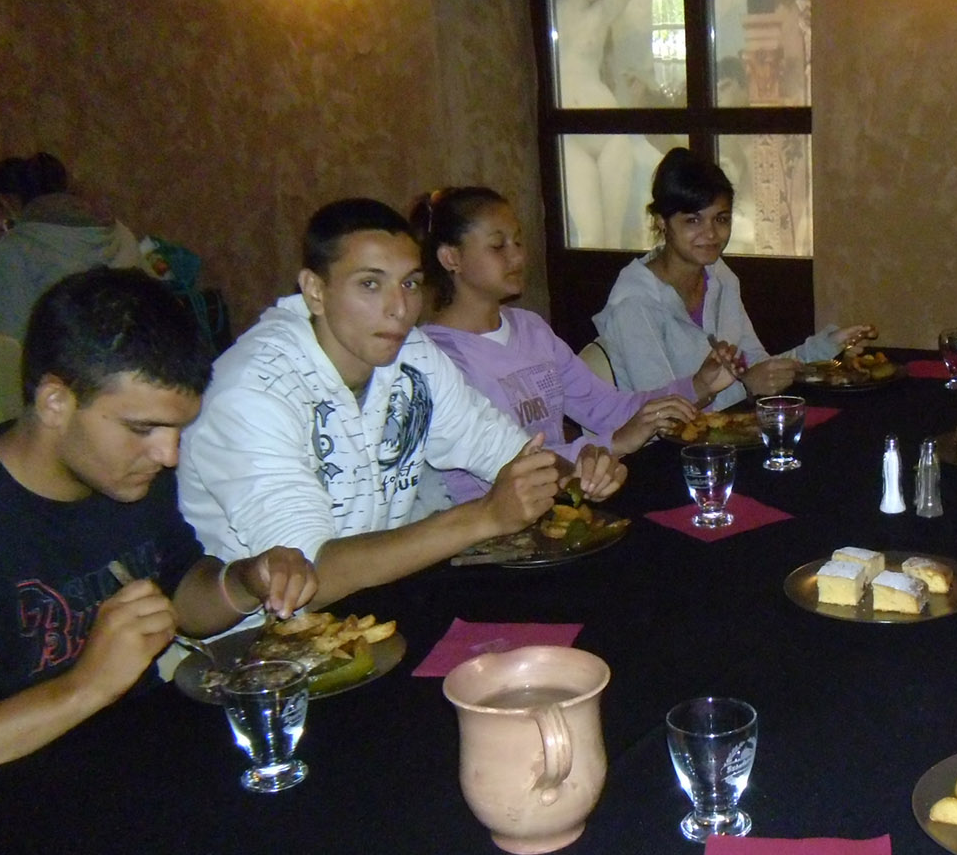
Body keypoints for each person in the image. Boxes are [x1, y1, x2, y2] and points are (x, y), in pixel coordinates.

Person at [0, 268, 316, 837]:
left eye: (177, 430)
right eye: (142, 428)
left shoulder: (125, 481)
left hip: (131, 788)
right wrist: (84, 688)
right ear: (55, 400)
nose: (169, 455)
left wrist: (245, 582)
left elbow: (180, 594)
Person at [178, 198, 624, 606]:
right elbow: (307, 576)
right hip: (257, 644)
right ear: (315, 290)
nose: (399, 308)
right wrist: (484, 517)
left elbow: (505, 452)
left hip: (379, 605)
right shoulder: (255, 392)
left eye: (410, 283)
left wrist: (577, 472)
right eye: (370, 284)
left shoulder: (412, 355)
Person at [415, 185, 734, 503]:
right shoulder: (437, 358)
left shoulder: (530, 328)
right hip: (498, 516)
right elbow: (504, 466)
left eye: (518, 242)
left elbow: (605, 407)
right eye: (498, 246)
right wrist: (615, 443)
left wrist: (698, 385)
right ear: (451, 257)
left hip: (565, 499)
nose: (518, 256)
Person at [593, 148, 871, 409]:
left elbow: (759, 367)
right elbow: (662, 416)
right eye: (693, 220)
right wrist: (747, 387)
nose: (711, 234)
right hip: (664, 443)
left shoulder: (718, 276)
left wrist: (828, 347)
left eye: (721, 219)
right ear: (661, 222)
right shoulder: (634, 303)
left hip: (725, 433)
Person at [0, 152, 142, 343]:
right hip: (136, 352)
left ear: (5, 201)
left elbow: (12, 337)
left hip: (68, 359)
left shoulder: (17, 246)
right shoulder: (120, 231)